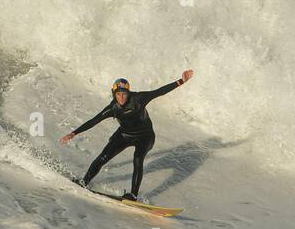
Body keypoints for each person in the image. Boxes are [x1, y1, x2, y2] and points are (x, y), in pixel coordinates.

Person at [59, 70, 194, 200]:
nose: (121, 97)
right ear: (114, 94)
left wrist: (181, 80)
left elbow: (159, 92)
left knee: (138, 158)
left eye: (124, 94)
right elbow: (94, 120)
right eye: (118, 94)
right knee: (103, 157)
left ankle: (133, 195)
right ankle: (84, 181)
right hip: (124, 135)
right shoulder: (113, 108)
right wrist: (73, 133)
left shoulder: (139, 99)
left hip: (145, 137)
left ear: (128, 93)